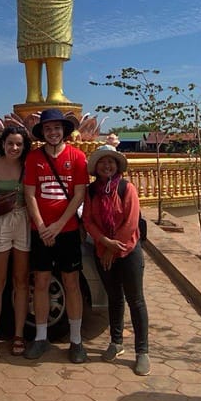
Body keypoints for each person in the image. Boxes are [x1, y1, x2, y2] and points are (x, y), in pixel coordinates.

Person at [23, 108, 89, 363]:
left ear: (64, 131)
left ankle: (76, 340)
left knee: (71, 284)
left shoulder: (78, 157)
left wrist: (59, 226)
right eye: (48, 128)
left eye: (57, 128)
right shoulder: (33, 158)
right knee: (40, 282)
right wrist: (41, 227)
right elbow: (30, 194)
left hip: (67, 231)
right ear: (43, 132)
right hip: (40, 231)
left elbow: (79, 194)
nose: (53, 132)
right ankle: (40, 337)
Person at [82, 145, 151, 376]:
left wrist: (114, 247)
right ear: (96, 167)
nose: (107, 166)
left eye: (111, 162)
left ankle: (142, 352)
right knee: (114, 297)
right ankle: (116, 342)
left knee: (136, 300)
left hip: (128, 251)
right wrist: (104, 242)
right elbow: (89, 220)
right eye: (102, 162)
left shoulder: (126, 187)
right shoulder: (92, 191)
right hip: (103, 249)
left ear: (117, 165)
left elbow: (131, 221)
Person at [0, 126, 32, 358]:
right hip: (0, 222)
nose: (14, 148)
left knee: (21, 281)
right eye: (10, 143)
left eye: (19, 144)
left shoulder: (28, 165)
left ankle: (18, 334)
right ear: (3, 143)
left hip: (23, 219)